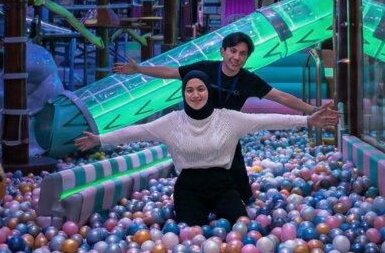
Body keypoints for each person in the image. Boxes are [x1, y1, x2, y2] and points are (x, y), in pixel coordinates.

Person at [75, 71, 339, 224]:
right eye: (189, 90)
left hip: (223, 185)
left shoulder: (227, 118)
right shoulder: (172, 122)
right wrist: (100, 139)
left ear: (208, 91)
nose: (195, 94)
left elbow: (267, 121)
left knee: (242, 226)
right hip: (189, 188)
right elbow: (136, 132)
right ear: (184, 94)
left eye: (200, 88)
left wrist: (307, 119)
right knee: (192, 233)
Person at [112, 32, 318, 203]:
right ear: (223, 51)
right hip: (196, 128)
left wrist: (311, 109)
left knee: (240, 184)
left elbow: (280, 96)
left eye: (243, 54)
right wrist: (139, 69)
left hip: (226, 134)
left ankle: (240, 199)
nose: (236, 57)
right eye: (233, 51)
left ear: (247, 58)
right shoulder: (206, 69)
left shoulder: (248, 80)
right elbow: (170, 72)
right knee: (196, 170)